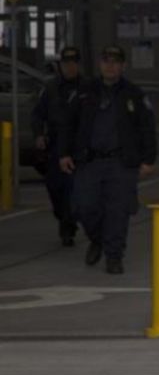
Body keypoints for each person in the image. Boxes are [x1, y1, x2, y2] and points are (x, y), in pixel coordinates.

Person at [59, 46, 157, 275]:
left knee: (118, 211)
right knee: (84, 207)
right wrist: (64, 153)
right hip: (89, 161)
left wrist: (148, 159)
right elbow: (68, 124)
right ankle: (98, 239)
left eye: (115, 62)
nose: (110, 66)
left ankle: (114, 256)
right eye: (106, 61)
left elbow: (147, 128)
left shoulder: (134, 93)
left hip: (121, 163)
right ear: (100, 65)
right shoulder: (84, 91)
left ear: (123, 66)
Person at [31, 47, 83, 246]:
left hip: (78, 146)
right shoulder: (50, 88)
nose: (70, 67)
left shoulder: (88, 88)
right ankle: (63, 217)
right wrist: (38, 134)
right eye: (66, 64)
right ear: (60, 65)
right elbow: (37, 114)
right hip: (54, 145)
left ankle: (68, 226)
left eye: (73, 63)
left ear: (78, 65)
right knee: (54, 187)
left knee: (72, 188)